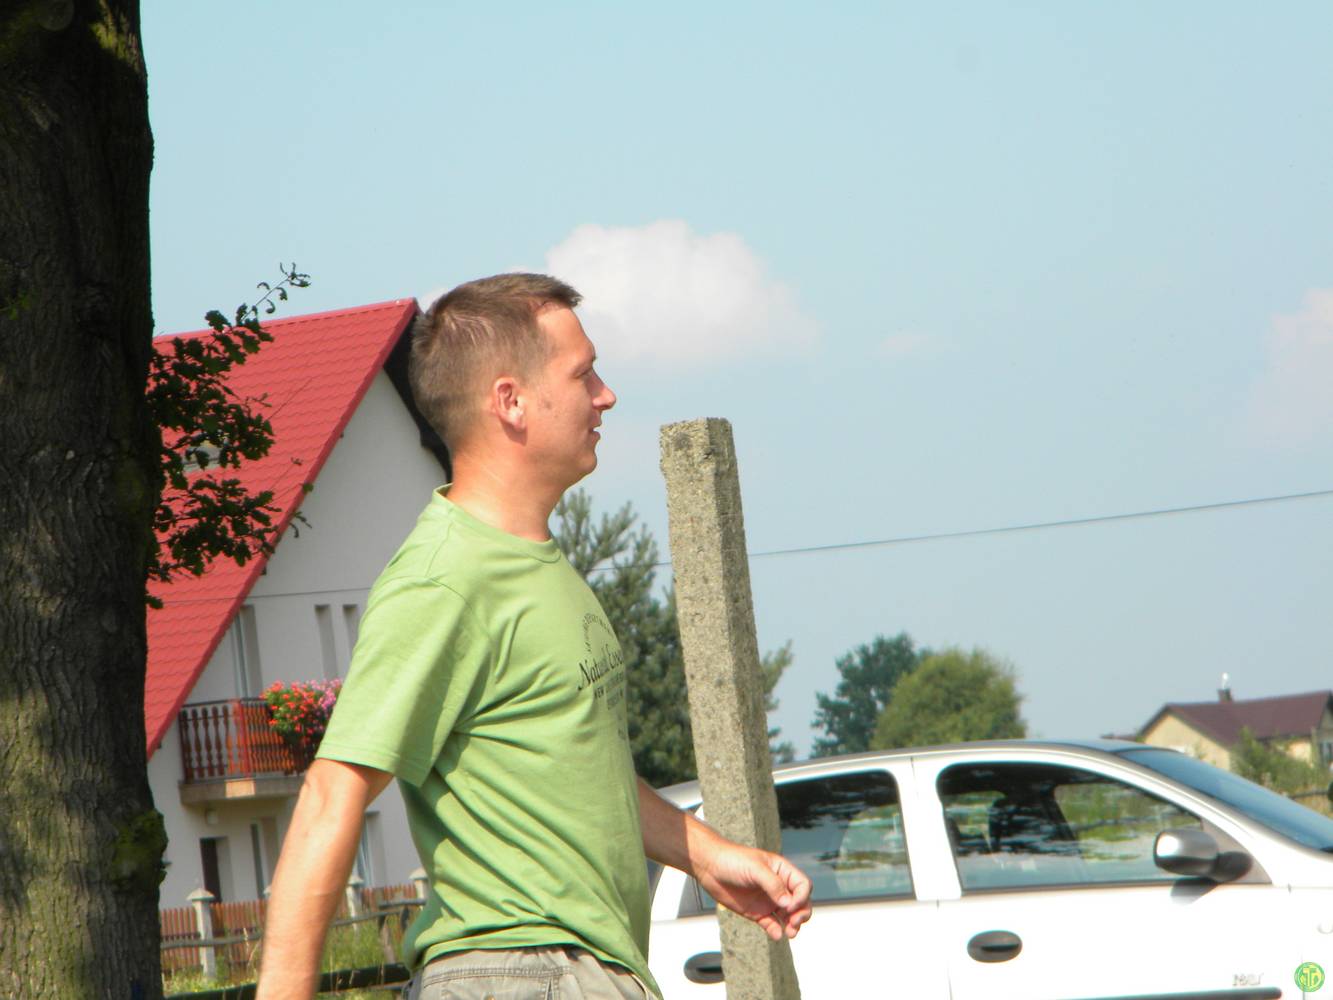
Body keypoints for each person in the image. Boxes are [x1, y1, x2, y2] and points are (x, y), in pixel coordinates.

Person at [255, 273, 812, 1000]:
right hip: (522, 970)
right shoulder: (442, 580)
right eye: (583, 374)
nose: (606, 395)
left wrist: (707, 856)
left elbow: (577, 768)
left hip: (571, 971)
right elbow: (333, 791)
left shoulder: (535, 564)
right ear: (510, 401)